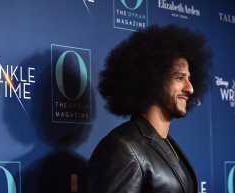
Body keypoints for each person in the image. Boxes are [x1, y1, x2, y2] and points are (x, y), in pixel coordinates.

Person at [88, 25, 213, 193]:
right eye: (179, 77)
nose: (190, 88)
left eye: (189, 79)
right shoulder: (123, 148)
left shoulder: (167, 145)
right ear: (152, 78)